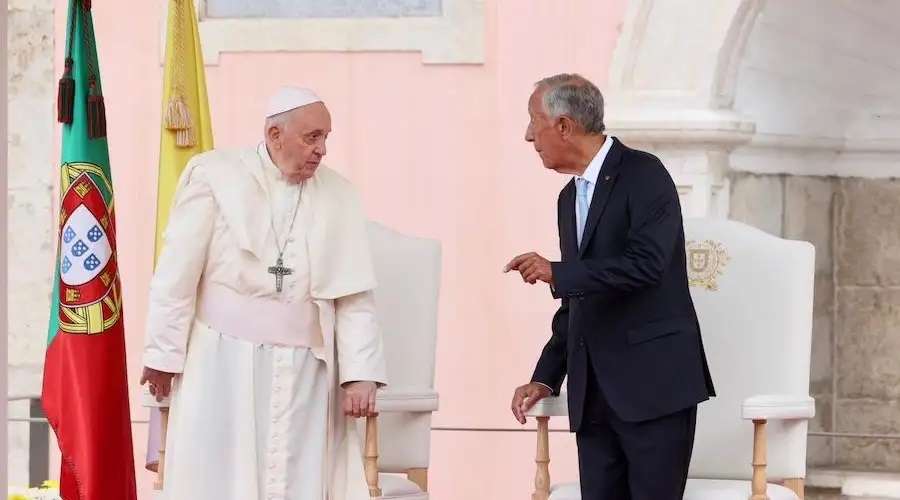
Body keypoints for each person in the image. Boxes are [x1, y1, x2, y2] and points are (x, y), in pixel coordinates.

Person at [140, 86, 387, 500]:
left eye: (326, 137)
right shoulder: (215, 176)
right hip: (221, 363)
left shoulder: (340, 194)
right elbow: (176, 274)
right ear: (275, 134)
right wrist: (162, 354)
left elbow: (354, 296)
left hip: (308, 373)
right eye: (312, 137)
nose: (322, 149)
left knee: (299, 481)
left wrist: (360, 375)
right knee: (218, 477)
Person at [505, 74, 715, 500]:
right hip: (594, 398)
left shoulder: (644, 174)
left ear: (563, 125)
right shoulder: (568, 198)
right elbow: (580, 301)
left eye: (534, 122)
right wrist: (546, 377)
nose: (529, 136)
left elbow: (646, 266)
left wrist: (558, 272)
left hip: (654, 389)